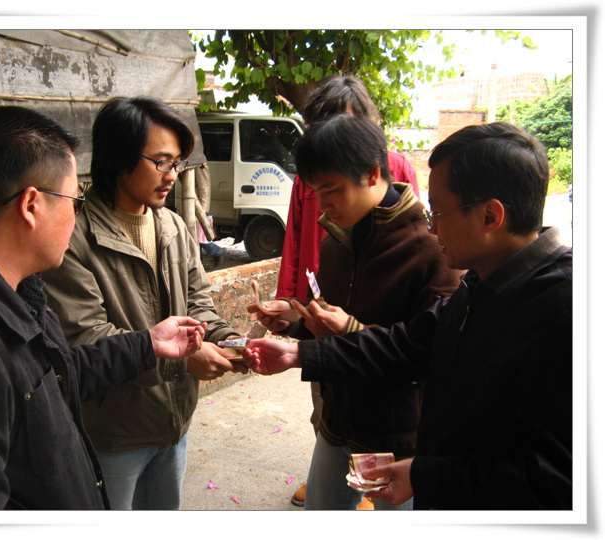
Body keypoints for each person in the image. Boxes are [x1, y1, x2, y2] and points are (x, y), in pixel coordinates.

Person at [244, 122, 573, 510]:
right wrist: (298, 352)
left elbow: (555, 480)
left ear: (490, 216)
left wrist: (425, 475)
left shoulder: (565, 312)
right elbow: (408, 345)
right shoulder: (479, 285)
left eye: (439, 211)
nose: (432, 225)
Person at [0, 105, 205, 510]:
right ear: (32, 205)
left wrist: (148, 345)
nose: (78, 212)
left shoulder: (17, 292)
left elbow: (60, 373)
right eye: (74, 198)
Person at [250, 114, 462, 510]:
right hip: (337, 423)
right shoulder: (336, 240)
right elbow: (324, 320)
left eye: (331, 190)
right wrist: (295, 319)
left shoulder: (431, 249)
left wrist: (348, 328)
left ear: (371, 172)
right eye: (316, 192)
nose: (323, 205)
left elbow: (427, 356)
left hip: (397, 438)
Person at [41, 97, 243, 511]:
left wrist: (230, 341)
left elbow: (198, 301)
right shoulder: (74, 239)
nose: (172, 176)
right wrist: (184, 360)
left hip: (173, 423)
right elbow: (87, 337)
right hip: (113, 433)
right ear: (120, 157)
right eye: (161, 162)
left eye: (178, 164)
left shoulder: (173, 226)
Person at [275, 75, 419, 508]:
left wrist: (348, 330)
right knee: (329, 405)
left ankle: (367, 485)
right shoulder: (320, 206)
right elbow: (295, 237)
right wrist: (293, 309)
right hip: (323, 308)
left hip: (388, 403)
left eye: (345, 127)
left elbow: (416, 350)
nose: (324, 202)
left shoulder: (419, 239)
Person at [276, 74, 419, 300]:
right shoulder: (307, 179)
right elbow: (294, 242)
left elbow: (412, 236)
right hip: (318, 296)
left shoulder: (397, 168)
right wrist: (288, 302)